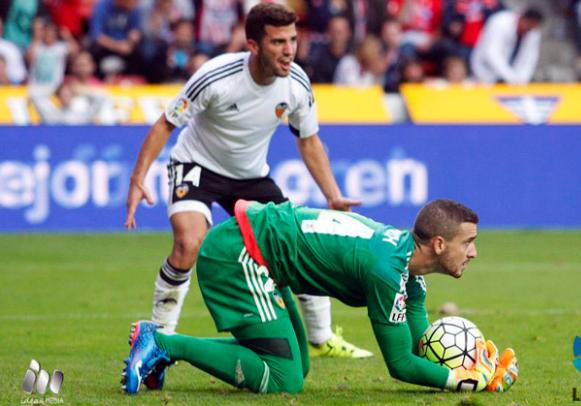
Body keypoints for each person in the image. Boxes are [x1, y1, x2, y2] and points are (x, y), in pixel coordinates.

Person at [124, 3, 372, 377]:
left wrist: (333, 195)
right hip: (197, 166)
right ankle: (159, 341)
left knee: (300, 243)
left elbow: (309, 141)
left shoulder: (297, 83)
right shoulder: (216, 76)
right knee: (189, 243)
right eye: (277, 42)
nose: (289, 50)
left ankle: (320, 339)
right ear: (253, 45)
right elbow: (165, 124)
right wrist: (138, 177)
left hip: (251, 175)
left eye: (292, 40)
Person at [122, 199, 519, 394]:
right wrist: (465, 383)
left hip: (260, 255)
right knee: (284, 378)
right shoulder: (388, 271)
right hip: (240, 254)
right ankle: (160, 341)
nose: (473, 253)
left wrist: (471, 361)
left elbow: (418, 346)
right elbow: (399, 364)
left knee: (299, 368)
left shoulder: (407, 270)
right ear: (437, 243)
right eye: (468, 243)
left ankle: (163, 351)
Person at [470, 7, 544, 85]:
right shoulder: (500, 22)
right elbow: (491, 53)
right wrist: (511, 77)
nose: (529, 30)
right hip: (485, 73)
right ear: (522, 18)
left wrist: (521, 80)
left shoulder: (533, 33)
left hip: (510, 80)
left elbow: (530, 59)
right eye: (528, 26)